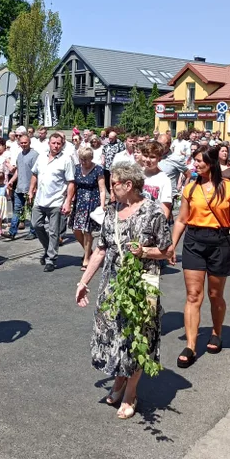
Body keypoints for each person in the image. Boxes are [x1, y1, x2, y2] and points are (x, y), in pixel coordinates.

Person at [76, 160, 170, 420]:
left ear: (129, 185)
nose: (109, 187)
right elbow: (102, 249)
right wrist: (83, 282)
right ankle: (119, 379)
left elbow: (167, 250)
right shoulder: (111, 211)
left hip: (143, 281)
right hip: (112, 280)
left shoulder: (153, 211)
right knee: (115, 330)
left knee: (137, 333)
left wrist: (144, 251)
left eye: (113, 183)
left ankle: (131, 392)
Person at [168, 147, 230, 368]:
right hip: (194, 242)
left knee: (215, 294)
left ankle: (216, 332)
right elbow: (181, 220)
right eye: (195, 161)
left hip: (220, 242)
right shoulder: (190, 189)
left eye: (200, 161)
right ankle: (191, 346)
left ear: (211, 163)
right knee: (193, 295)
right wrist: (171, 246)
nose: (196, 164)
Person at [29, 132, 75, 273]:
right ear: (49, 143)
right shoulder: (41, 156)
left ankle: (51, 259)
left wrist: (68, 202)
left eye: (58, 143)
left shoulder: (66, 159)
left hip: (56, 200)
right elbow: (35, 174)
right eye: (53, 143)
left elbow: (71, 182)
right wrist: (31, 190)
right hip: (40, 199)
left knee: (54, 231)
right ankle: (49, 247)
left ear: (62, 145)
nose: (56, 146)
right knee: (36, 225)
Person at [71, 147, 106, 270]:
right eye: (81, 159)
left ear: (91, 158)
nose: (83, 162)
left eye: (86, 159)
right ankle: (89, 251)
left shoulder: (98, 169)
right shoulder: (76, 168)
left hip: (92, 201)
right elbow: (72, 185)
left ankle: (86, 259)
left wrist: (102, 205)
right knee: (76, 230)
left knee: (87, 231)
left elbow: (102, 189)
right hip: (79, 202)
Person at [5, 134, 37, 241]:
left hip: (30, 188)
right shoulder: (19, 155)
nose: (23, 145)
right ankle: (12, 232)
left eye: (25, 142)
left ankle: (33, 231)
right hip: (19, 188)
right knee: (17, 210)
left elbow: (37, 173)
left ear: (29, 142)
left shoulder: (35, 155)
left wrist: (34, 187)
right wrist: (11, 181)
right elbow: (18, 171)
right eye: (21, 143)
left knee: (32, 211)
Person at [139, 140, 173, 219]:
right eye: (145, 155)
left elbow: (165, 208)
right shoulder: (136, 174)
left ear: (159, 158)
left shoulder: (164, 180)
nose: (148, 160)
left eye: (152, 157)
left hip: (153, 222)